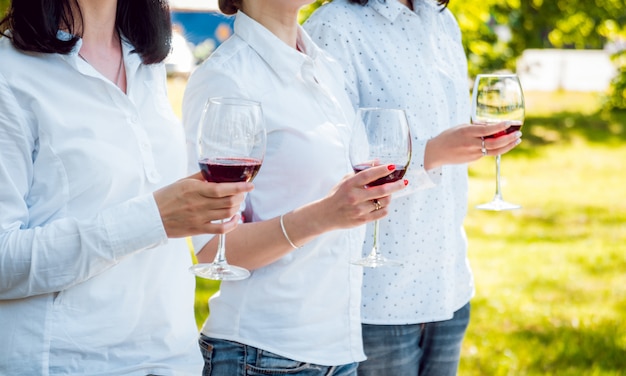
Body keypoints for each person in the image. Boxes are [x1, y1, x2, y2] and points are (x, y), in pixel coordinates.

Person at [0, 0, 254, 374]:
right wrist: (153, 219)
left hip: (171, 356)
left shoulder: (146, 63)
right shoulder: (10, 72)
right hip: (66, 362)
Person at [181, 0, 409, 375]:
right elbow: (211, 251)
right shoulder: (227, 78)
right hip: (263, 355)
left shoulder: (325, 65)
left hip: (339, 351)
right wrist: (324, 216)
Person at [304, 1, 523, 375]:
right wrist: (432, 153)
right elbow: (333, 166)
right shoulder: (334, 24)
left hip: (449, 286)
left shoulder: (443, 21)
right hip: (378, 298)